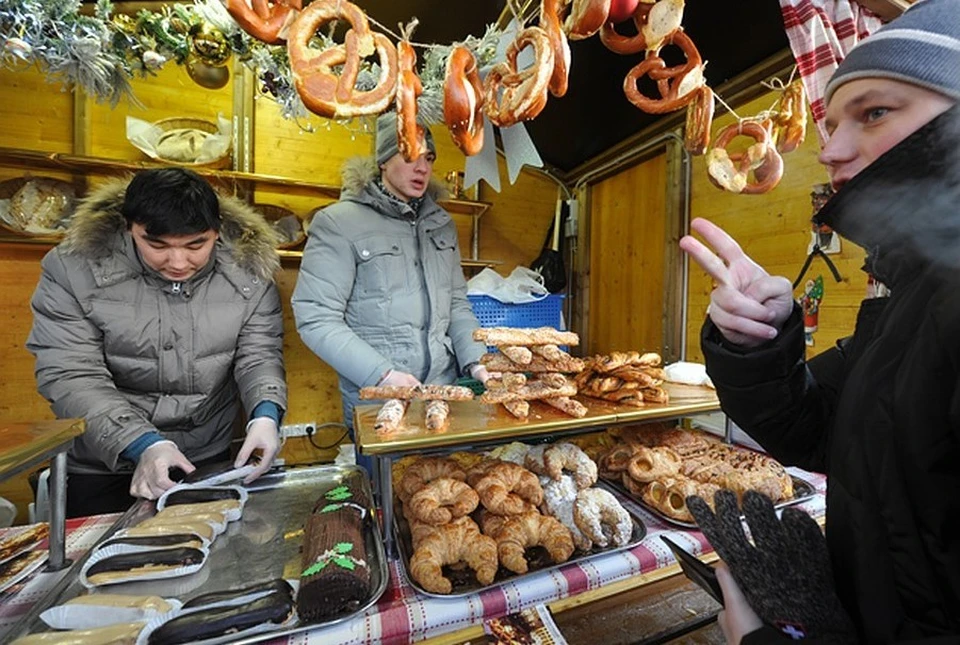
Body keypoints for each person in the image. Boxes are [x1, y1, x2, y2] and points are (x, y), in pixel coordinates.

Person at [679, 0, 960, 642]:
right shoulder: (909, 298)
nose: (829, 149)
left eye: (875, 112)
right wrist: (758, 342)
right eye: (831, 122)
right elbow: (818, 429)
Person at [27, 168, 288, 517]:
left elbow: (259, 355)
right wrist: (141, 443)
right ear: (129, 228)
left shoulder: (248, 272)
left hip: (204, 456)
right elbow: (71, 373)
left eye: (197, 244)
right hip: (103, 460)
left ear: (218, 231)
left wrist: (265, 415)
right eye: (157, 245)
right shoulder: (73, 270)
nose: (178, 262)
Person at [291, 112, 490, 444]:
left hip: (443, 394)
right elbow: (316, 317)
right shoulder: (339, 223)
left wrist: (476, 362)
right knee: (387, 491)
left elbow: (456, 305)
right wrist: (382, 375)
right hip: (379, 401)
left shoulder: (441, 225)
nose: (422, 167)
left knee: (449, 486)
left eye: (428, 157)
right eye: (410, 155)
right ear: (383, 160)